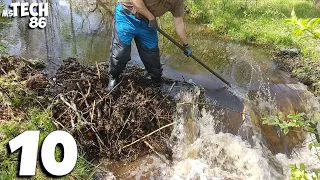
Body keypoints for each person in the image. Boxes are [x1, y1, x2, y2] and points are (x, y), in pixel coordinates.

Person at [107, 0, 192, 91]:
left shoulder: (178, 2)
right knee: (121, 53)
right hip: (127, 15)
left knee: (152, 58)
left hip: (147, 24)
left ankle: (156, 81)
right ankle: (114, 77)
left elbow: (179, 22)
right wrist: (151, 18)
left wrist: (185, 44)